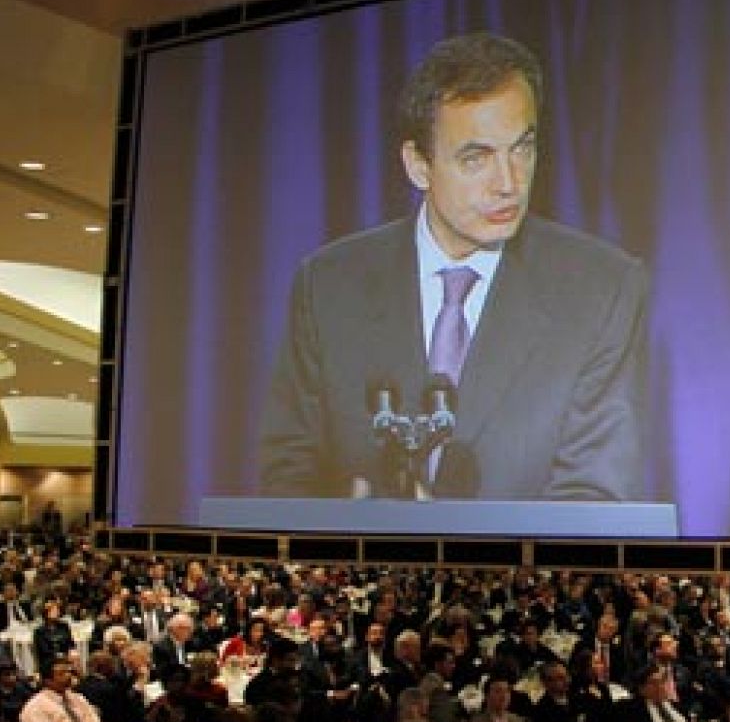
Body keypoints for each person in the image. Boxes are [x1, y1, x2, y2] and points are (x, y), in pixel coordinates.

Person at [258, 31, 649, 502]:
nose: (509, 183)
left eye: (522, 148)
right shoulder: (327, 286)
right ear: (418, 165)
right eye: (476, 158)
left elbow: (593, 502)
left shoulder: (602, 289)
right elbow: (289, 476)